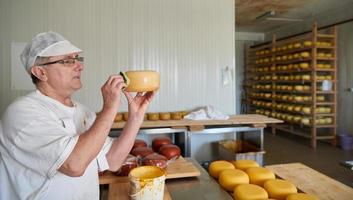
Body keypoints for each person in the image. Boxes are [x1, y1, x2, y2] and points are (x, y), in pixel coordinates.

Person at [0, 31, 155, 200]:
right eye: (67, 61)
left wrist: (136, 117)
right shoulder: (22, 113)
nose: (79, 66)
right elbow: (74, 165)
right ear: (40, 72)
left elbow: (113, 160)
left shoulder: (84, 112)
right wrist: (110, 107)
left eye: (77, 59)